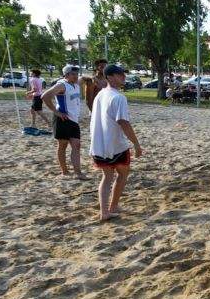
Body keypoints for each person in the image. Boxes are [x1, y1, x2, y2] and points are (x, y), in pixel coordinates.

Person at [89, 65, 143, 221]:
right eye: (120, 75)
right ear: (109, 77)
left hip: (99, 145)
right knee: (122, 174)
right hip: (115, 144)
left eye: (123, 75)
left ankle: (105, 211)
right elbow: (123, 122)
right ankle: (112, 207)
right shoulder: (119, 97)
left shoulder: (100, 94)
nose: (123, 77)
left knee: (107, 177)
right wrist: (136, 144)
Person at [42, 65, 89, 180]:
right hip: (63, 119)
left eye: (76, 74)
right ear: (66, 75)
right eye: (73, 74)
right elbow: (45, 96)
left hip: (74, 120)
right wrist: (56, 112)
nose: (76, 76)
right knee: (63, 145)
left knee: (76, 145)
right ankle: (64, 171)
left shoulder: (76, 83)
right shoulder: (62, 85)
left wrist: (92, 78)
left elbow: (84, 78)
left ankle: (78, 172)